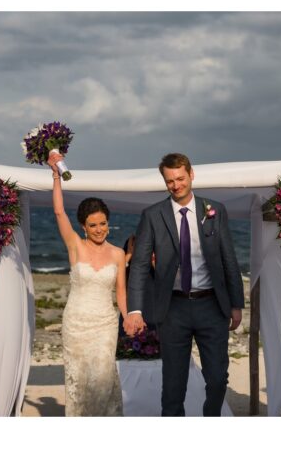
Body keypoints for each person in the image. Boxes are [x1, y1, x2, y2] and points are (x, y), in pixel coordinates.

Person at [124, 153, 245, 416]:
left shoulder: (215, 211)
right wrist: (135, 310)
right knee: (173, 385)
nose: (176, 185)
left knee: (216, 379)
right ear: (164, 181)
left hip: (212, 306)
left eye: (180, 178)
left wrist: (237, 304)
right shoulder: (152, 215)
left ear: (191, 175)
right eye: (170, 181)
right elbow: (140, 265)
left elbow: (229, 261)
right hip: (173, 309)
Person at [48, 152, 126, 416]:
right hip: (76, 324)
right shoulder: (75, 247)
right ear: (83, 227)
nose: (99, 229)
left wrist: (128, 318)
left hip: (105, 323)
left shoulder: (117, 254)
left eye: (103, 223)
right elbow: (58, 211)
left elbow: (121, 291)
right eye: (93, 225)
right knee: (79, 384)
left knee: (103, 382)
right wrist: (56, 175)